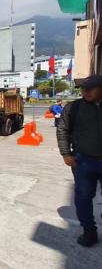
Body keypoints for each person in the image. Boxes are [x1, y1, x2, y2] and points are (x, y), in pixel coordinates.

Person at [57, 75, 102, 247]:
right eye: (83, 88)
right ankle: (89, 231)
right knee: (83, 197)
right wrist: (66, 154)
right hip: (83, 161)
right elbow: (62, 130)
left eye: (91, 88)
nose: (85, 91)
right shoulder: (74, 108)